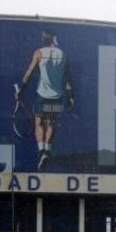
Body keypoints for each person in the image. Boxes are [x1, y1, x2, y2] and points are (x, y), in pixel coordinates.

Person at [17, 29, 74, 169]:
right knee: (52, 123)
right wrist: (71, 96)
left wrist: (21, 90)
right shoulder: (63, 55)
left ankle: (41, 149)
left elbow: (29, 73)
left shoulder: (39, 53)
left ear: (46, 39)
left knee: (39, 122)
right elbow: (67, 80)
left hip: (42, 96)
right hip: (57, 96)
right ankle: (47, 151)